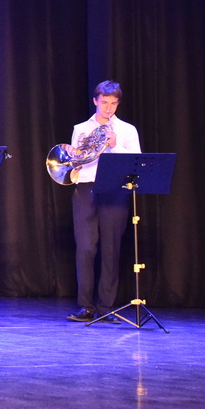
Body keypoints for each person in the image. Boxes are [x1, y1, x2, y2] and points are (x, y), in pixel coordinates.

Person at [66, 80, 141, 322]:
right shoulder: (81, 128)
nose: (108, 108)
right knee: (86, 249)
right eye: (104, 102)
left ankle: (106, 307)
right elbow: (77, 160)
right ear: (95, 101)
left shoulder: (127, 130)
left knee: (111, 250)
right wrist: (73, 156)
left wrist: (115, 146)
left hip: (114, 191)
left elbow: (137, 162)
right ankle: (86, 307)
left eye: (113, 103)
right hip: (85, 189)